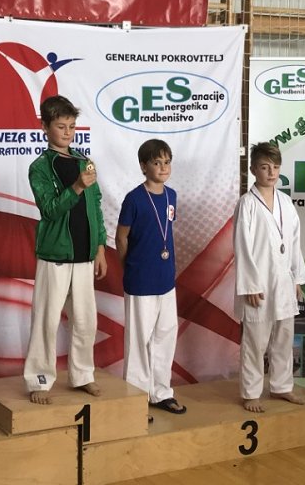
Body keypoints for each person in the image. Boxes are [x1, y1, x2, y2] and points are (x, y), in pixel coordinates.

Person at [24, 95, 107, 404]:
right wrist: (77, 186)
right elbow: (49, 209)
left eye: (72, 126)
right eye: (61, 126)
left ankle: (83, 375)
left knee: (86, 321)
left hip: (85, 255)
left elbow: (96, 207)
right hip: (55, 256)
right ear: (45, 127)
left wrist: (100, 246)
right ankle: (39, 379)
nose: (67, 132)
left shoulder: (85, 162)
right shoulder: (40, 168)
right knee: (46, 321)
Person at [233, 142, 305, 413]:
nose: (271, 172)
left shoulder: (285, 202)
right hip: (259, 284)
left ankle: (281, 386)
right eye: (265, 167)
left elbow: (295, 242)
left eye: (275, 167)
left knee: (284, 337)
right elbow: (242, 246)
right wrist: (249, 285)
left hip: (284, 282)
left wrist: (297, 277)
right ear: (253, 169)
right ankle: (251, 392)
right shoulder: (247, 203)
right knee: (255, 341)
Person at [116, 139, 186, 417]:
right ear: (144, 166)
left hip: (165, 279)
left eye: (167, 162)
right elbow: (121, 237)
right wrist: (130, 266)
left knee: (165, 336)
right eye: (157, 162)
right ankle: (135, 400)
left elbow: (165, 234)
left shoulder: (172, 196)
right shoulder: (134, 199)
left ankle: (161, 392)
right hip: (140, 280)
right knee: (138, 341)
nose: (163, 167)